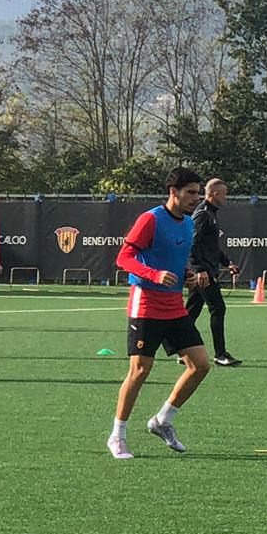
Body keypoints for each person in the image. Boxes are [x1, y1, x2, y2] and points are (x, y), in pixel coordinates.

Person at [108, 167, 212, 459]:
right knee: (140, 370)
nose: (195, 198)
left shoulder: (188, 223)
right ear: (173, 192)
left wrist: (188, 276)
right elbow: (124, 257)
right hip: (146, 305)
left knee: (200, 365)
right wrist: (153, 274)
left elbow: (175, 262)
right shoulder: (151, 219)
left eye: (198, 193)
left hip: (174, 306)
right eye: (190, 192)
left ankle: (163, 420)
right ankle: (117, 435)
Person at [185, 178, 241, 366]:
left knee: (191, 311)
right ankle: (220, 354)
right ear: (214, 194)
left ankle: (181, 349)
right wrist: (199, 269)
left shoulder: (211, 214)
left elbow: (211, 246)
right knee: (218, 308)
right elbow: (193, 243)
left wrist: (227, 263)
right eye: (224, 194)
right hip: (204, 272)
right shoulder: (202, 214)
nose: (226, 197)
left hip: (207, 269)